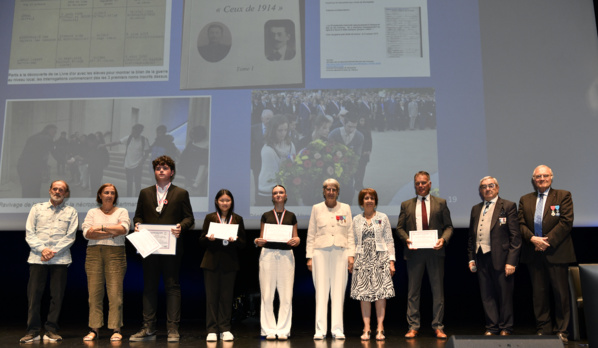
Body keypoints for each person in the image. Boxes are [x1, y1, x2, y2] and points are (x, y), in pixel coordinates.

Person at [129, 156, 195, 342]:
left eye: (165, 168)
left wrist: (181, 226)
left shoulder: (181, 193)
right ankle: (148, 327)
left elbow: (189, 219)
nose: (161, 170)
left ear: (171, 172)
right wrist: (138, 224)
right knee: (149, 287)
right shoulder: (145, 192)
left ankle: (173, 329)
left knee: (172, 287)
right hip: (149, 246)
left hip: (171, 247)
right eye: (158, 168)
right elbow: (138, 216)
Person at [518, 165, 575, 343]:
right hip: (533, 253)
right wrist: (533, 239)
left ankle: (562, 331)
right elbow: (520, 224)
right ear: (533, 179)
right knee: (539, 294)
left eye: (545, 176)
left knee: (560, 294)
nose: (541, 179)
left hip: (556, 252)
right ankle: (544, 328)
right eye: (538, 176)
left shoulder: (563, 195)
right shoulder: (525, 199)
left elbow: (566, 222)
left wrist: (545, 242)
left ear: (551, 177)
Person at [395, 171, 453, 339]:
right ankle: (413, 326)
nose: (420, 185)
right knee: (413, 292)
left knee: (438, 292)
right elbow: (399, 228)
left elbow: (449, 226)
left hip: (435, 252)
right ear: (415, 185)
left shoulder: (441, 203)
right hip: (414, 253)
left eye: (423, 182)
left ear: (429, 184)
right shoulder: (406, 205)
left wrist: (443, 239)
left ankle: (438, 326)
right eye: (418, 183)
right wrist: (407, 240)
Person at [20, 180, 78, 343]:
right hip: (38, 258)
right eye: (55, 189)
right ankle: (32, 331)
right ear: (50, 190)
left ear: (66, 194)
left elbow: (71, 236)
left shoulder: (71, 212)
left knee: (57, 296)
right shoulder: (36, 208)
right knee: (34, 296)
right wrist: (43, 249)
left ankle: (51, 330)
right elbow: (29, 232)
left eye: (62, 190)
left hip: (60, 260)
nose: (58, 192)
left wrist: (53, 251)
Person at [467, 177, 521, 336]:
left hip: (502, 258)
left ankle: (506, 327)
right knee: (487, 295)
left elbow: (515, 237)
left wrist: (512, 261)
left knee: (504, 295)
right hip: (481, 256)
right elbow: (471, 236)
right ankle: (492, 326)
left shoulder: (508, 206)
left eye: (490, 186)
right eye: (483, 187)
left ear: (497, 188)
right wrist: (471, 258)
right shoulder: (476, 209)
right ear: (480, 190)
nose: (487, 189)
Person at [306, 178, 355, 340]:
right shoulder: (316, 208)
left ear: (338, 192)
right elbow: (311, 233)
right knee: (321, 291)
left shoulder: (346, 208)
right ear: (324, 191)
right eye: (328, 189)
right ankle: (320, 330)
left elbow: (350, 233)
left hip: (341, 252)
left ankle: (337, 329)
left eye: (334, 189)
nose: (331, 192)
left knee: (338, 292)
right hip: (320, 252)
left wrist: (351, 255)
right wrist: (309, 257)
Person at [82, 183, 130, 342]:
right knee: (94, 294)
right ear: (100, 195)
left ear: (115, 196)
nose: (109, 195)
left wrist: (100, 227)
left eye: (112, 193)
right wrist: (111, 232)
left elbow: (123, 229)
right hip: (94, 253)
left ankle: (116, 329)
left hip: (115, 253)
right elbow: (87, 233)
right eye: (106, 192)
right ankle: (94, 329)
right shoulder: (92, 212)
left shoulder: (122, 211)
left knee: (115, 294)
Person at [254, 185, 300, 340]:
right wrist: (258, 241)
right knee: (267, 294)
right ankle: (268, 329)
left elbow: (296, 236)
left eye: (281, 192)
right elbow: (261, 238)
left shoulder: (292, 215)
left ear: (285, 195)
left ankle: (283, 330)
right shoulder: (266, 215)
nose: (278, 195)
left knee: (286, 296)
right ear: (272, 197)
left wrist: (297, 240)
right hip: (268, 255)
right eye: (275, 193)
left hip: (287, 255)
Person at [200, 189, 246, 342]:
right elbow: (201, 240)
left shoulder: (237, 219)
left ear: (231, 202)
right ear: (216, 202)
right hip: (211, 262)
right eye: (222, 200)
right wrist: (209, 239)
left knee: (226, 297)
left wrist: (236, 239)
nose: (225, 203)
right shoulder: (210, 218)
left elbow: (243, 243)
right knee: (212, 297)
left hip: (230, 263)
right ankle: (212, 329)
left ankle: (225, 328)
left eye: (227, 200)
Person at [351, 188, 395, 341]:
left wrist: (391, 261)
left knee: (380, 295)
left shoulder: (383, 217)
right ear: (361, 202)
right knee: (364, 295)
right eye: (366, 198)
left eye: (371, 198)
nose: (369, 200)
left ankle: (380, 328)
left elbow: (389, 240)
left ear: (375, 201)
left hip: (380, 259)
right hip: (362, 259)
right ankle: (367, 327)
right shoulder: (356, 219)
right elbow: (352, 241)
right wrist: (351, 258)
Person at [257, 114, 296, 205]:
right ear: (273, 131)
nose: (283, 133)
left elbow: (294, 164)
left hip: (285, 187)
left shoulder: (290, 145)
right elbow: (276, 173)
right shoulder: (267, 150)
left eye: (285, 130)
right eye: (280, 130)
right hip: (268, 190)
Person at [103, 124, 150, 197]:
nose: (133, 133)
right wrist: (104, 145)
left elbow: (147, 152)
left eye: (135, 131)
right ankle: (129, 198)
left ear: (139, 131)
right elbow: (116, 142)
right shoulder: (129, 138)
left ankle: (137, 198)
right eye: (132, 131)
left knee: (138, 183)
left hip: (138, 165)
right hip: (128, 164)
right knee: (129, 183)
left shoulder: (143, 140)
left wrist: (142, 162)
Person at [328, 111, 364, 204]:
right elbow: (328, 153)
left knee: (348, 193)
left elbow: (357, 156)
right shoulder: (334, 134)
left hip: (348, 171)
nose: (352, 129)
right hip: (333, 169)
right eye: (349, 126)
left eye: (354, 127)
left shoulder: (359, 137)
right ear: (344, 123)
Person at [17, 124, 57, 198]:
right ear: (49, 130)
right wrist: (66, 160)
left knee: (26, 190)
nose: (55, 134)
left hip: (23, 166)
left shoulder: (34, 137)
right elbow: (54, 152)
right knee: (35, 190)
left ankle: (27, 206)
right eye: (54, 132)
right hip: (32, 168)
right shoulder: (47, 138)